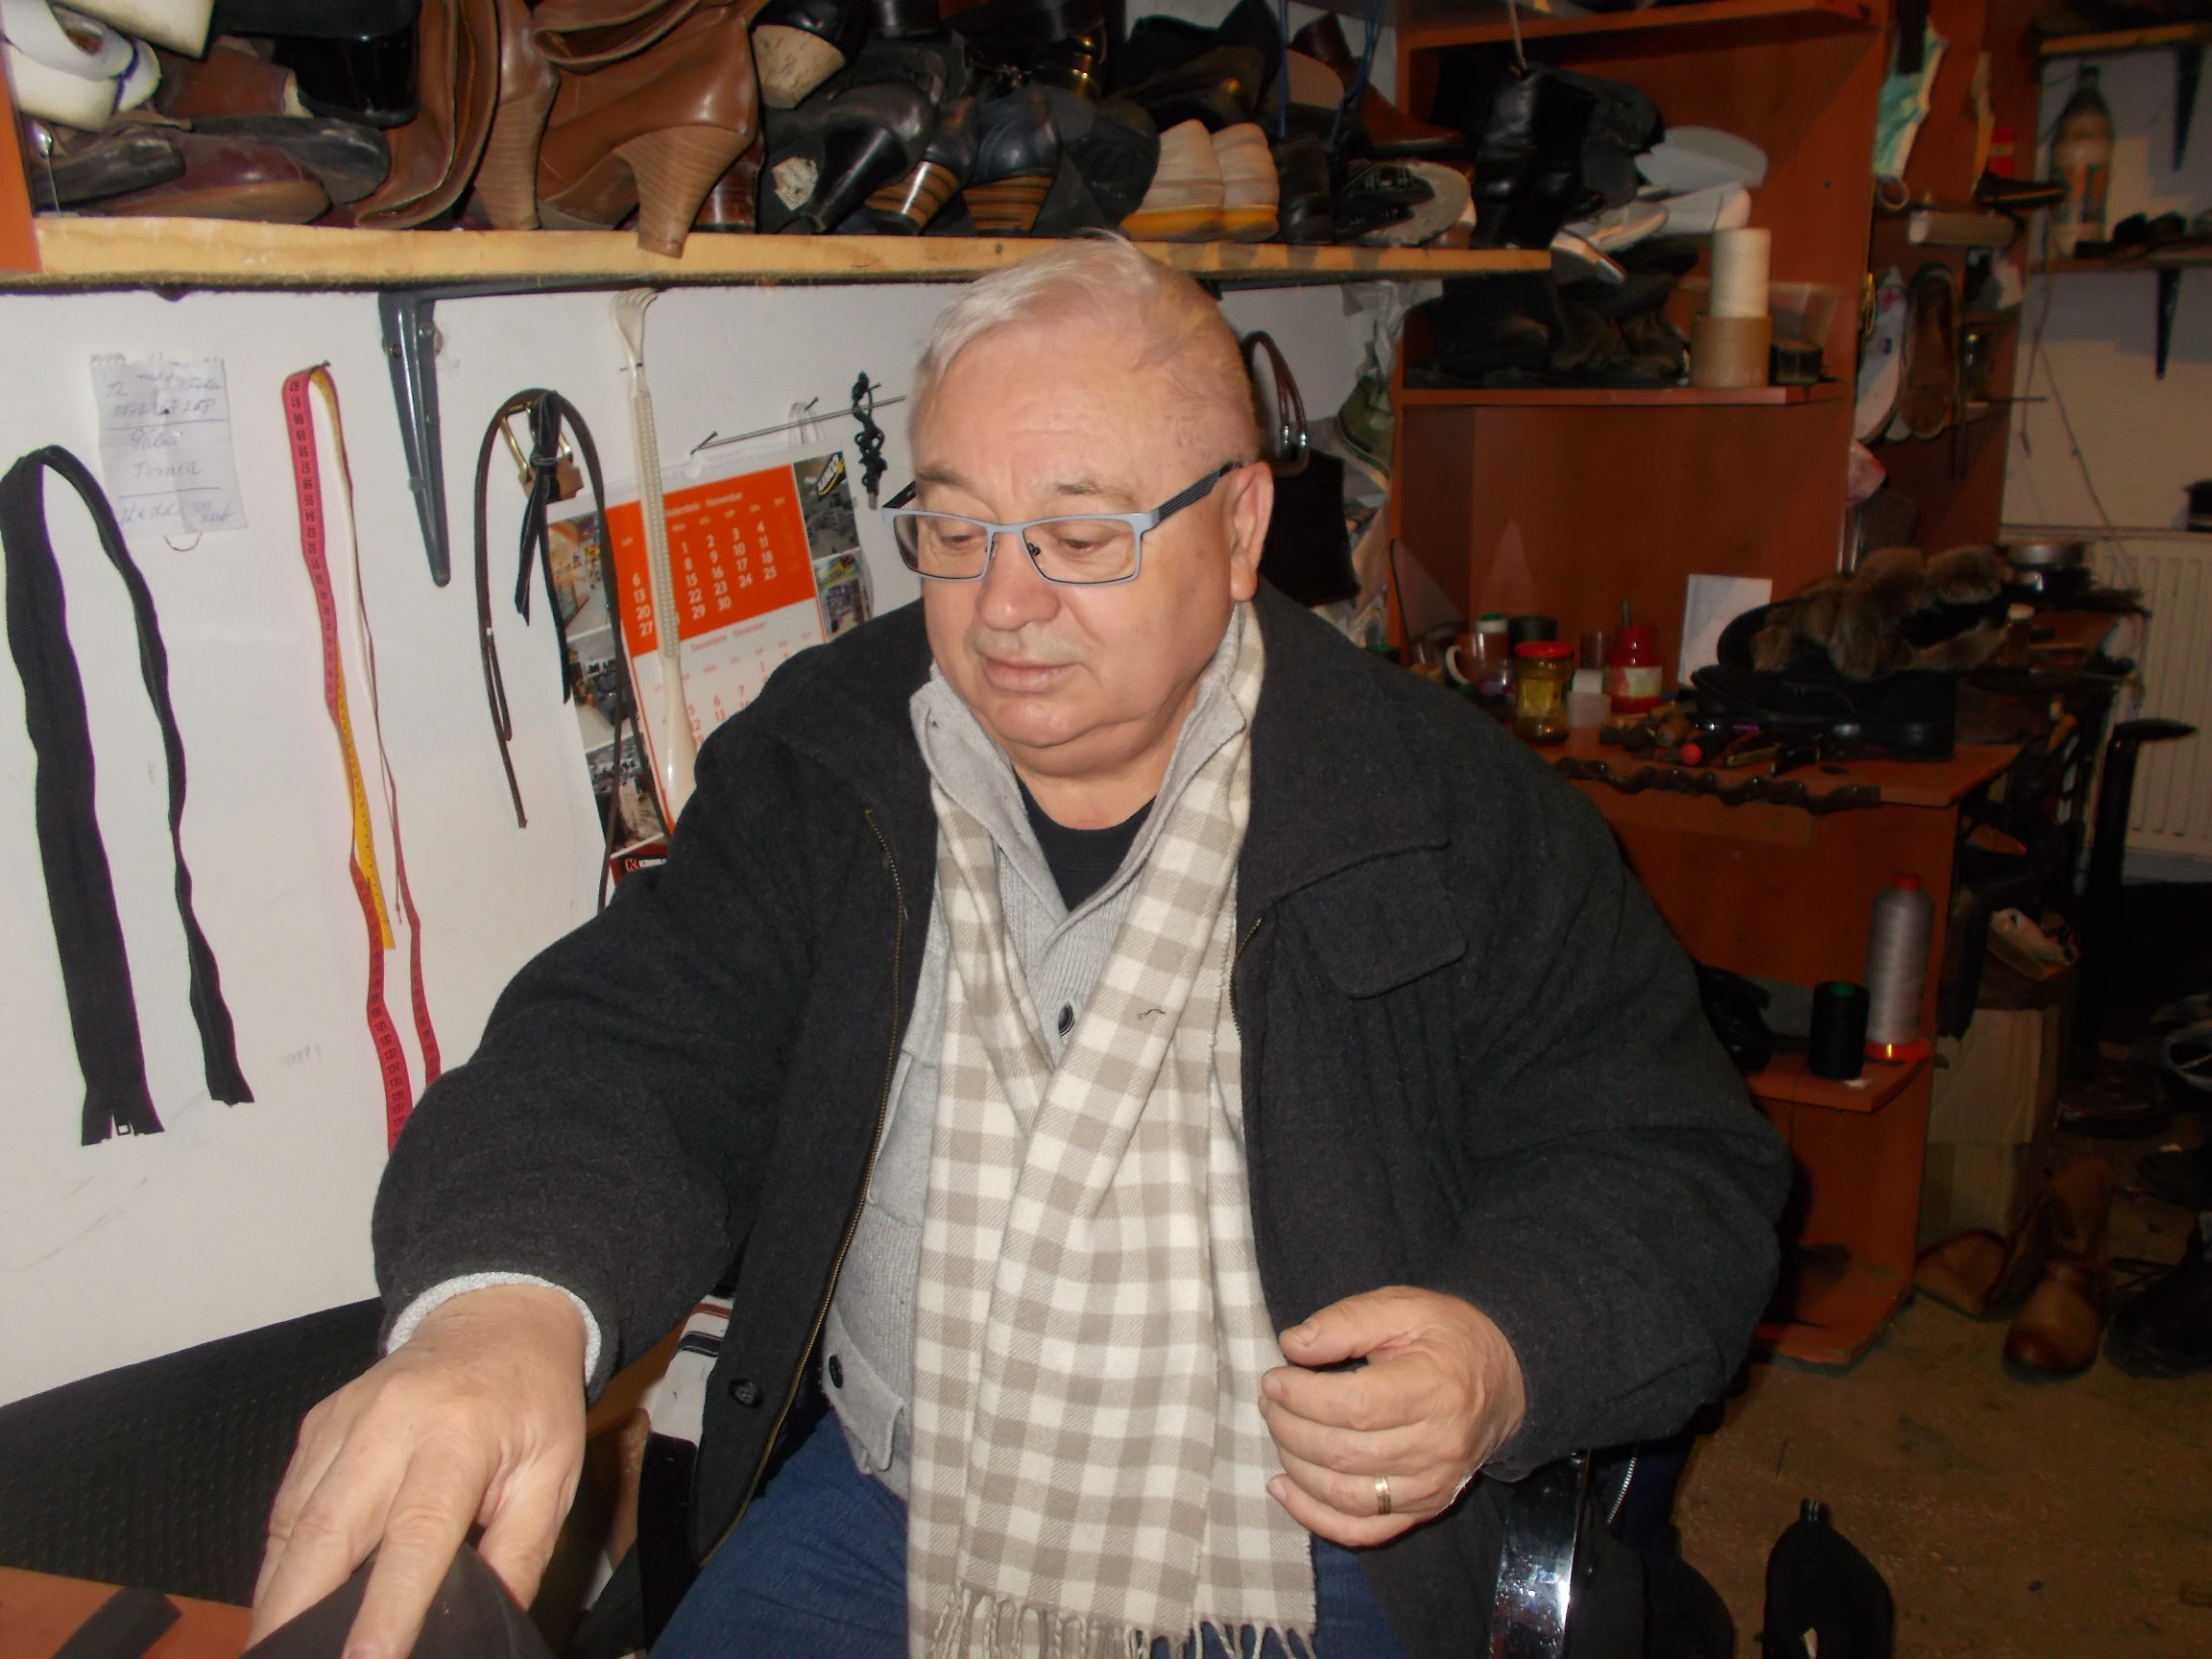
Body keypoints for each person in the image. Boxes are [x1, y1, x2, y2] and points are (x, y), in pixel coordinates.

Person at [249, 237, 1790, 1659]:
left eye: (1080, 533)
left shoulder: (1441, 813)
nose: (1003, 604)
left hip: (1310, 1553)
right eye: (956, 527)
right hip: (895, 1504)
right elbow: (639, 1037)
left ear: (1239, 527)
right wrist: (503, 1308)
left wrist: (1504, 1352)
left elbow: (1674, 1165)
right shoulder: (830, 761)